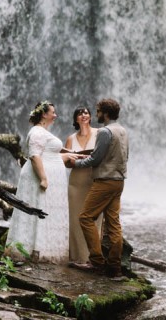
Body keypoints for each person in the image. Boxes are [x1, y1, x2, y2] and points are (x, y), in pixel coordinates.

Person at [5, 101, 77, 264]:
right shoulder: (37, 131)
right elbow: (35, 156)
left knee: (43, 212)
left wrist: (68, 155)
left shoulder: (43, 132)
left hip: (46, 176)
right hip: (38, 178)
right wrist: (44, 178)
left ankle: (40, 249)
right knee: (36, 211)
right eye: (53, 112)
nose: (55, 115)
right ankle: (30, 251)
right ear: (44, 114)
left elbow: (47, 154)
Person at [66, 98, 129, 278]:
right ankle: (115, 268)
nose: (97, 114)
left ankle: (97, 262)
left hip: (104, 181)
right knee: (114, 224)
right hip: (119, 181)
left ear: (105, 113)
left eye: (98, 111)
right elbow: (126, 156)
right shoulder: (123, 131)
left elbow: (95, 158)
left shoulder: (104, 132)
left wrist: (75, 164)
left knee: (85, 217)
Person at [64, 105, 102, 265]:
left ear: (91, 117)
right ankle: (77, 257)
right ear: (75, 119)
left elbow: (104, 156)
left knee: (94, 218)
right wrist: (73, 160)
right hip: (76, 182)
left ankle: (93, 257)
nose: (83, 115)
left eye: (86, 113)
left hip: (94, 180)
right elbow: (66, 162)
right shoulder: (70, 139)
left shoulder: (100, 134)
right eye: (79, 113)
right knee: (75, 218)